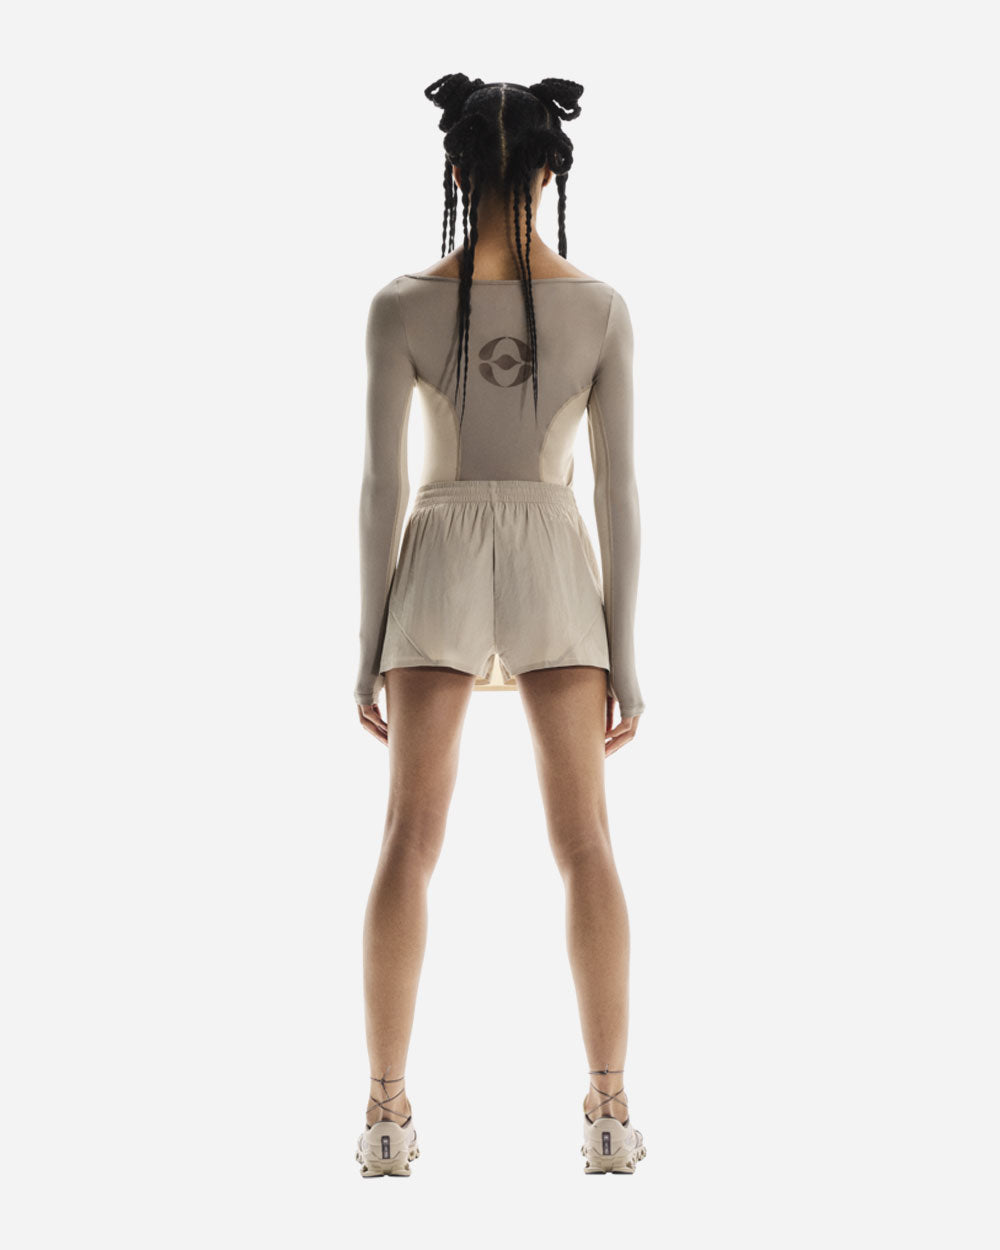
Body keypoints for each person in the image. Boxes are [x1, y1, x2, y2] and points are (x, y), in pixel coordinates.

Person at [353, 74, 647, 1177]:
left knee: (407, 841)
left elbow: (382, 488)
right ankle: (608, 1110)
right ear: (549, 175)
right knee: (585, 845)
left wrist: (367, 646)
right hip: (552, 563)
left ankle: (386, 1114)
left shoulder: (399, 305)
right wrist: (627, 654)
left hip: (437, 556)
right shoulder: (601, 308)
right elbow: (618, 492)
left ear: (456, 170)